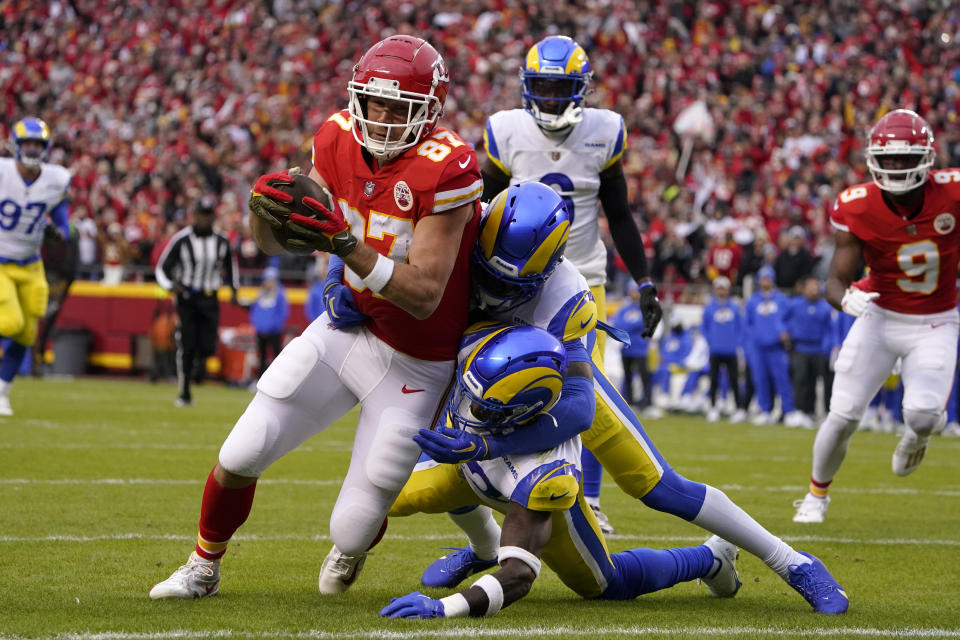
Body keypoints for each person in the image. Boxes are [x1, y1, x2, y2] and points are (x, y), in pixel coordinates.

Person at [333, 183, 845, 613]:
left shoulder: (563, 293)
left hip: (546, 391)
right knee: (403, 468)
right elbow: (375, 245)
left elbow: (576, 406)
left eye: (511, 283)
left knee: (657, 486)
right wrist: (340, 282)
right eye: (486, 273)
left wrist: (485, 448)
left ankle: (791, 561)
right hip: (468, 376)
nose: (492, 292)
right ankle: (483, 545)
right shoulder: (456, 233)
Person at [149, 35, 482, 599]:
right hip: (349, 328)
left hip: (418, 363)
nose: (379, 117)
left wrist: (346, 247)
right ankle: (203, 564)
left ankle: (363, 547)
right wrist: (267, 212)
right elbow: (287, 242)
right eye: (372, 103)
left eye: (396, 107)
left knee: (350, 526)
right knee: (242, 450)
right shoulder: (335, 137)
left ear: (429, 110)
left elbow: (425, 292)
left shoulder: (447, 167)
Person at [382, 322, 742, 619]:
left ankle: (710, 559)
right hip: (470, 469)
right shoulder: (484, 351)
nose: (471, 413)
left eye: (485, 407)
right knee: (385, 494)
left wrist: (446, 608)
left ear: (521, 413)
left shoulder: (544, 471)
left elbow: (519, 576)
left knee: (604, 585)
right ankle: (482, 546)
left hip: (517, 490)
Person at [479, 35, 663, 532]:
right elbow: (482, 212)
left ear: (581, 89)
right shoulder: (506, 131)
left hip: (584, 282)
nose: (552, 99)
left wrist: (644, 283)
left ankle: (592, 499)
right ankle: (505, 485)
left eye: (562, 89)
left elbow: (620, 214)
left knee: (590, 391)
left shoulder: (604, 132)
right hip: (518, 284)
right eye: (543, 88)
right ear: (526, 86)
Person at [793, 109, 960, 524]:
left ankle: (915, 435)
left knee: (923, 415)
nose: (897, 167)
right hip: (881, 317)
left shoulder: (953, 193)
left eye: (906, 158)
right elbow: (835, 280)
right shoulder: (858, 204)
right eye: (889, 159)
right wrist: (845, 300)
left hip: (936, 319)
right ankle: (816, 495)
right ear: (873, 160)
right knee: (843, 413)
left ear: (927, 157)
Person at [0, 117, 71, 416]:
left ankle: (2, 391)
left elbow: (64, 224)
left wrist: (58, 232)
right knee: (11, 322)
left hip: (30, 263)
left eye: (37, 144)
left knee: (27, 333)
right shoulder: (3, 172)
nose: (32, 149)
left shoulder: (56, 179)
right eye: (27, 143)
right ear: (16, 145)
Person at [155, 196, 239, 407]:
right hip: (187, 298)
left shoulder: (221, 241)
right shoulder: (182, 240)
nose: (204, 220)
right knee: (187, 344)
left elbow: (231, 267)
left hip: (210, 297)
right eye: (201, 215)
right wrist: (169, 285)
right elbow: (161, 268)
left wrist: (234, 291)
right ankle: (184, 391)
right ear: (195, 216)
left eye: (208, 215)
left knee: (208, 346)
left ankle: (196, 364)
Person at [744, 264, 798, 425]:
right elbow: (747, 325)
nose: (765, 281)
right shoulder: (753, 301)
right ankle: (765, 410)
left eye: (768, 278)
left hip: (777, 348)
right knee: (761, 380)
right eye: (763, 278)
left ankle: (788, 411)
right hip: (759, 348)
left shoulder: (782, 300)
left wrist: (786, 333)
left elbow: (790, 320)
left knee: (782, 380)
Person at [785, 276, 833, 428]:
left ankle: (818, 412)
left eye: (815, 287)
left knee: (821, 381)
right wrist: (788, 333)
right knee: (800, 380)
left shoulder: (826, 307)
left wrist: (827, 347)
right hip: (800, 347)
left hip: (819, 349)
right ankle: (800, 410)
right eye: (810, 287)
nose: (813, 290)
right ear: (803, 289)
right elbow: (782, 320)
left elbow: (829, 329)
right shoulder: (794, 305)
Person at [701, 276, 747, 423]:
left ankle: (739, 409)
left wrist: (737, 344)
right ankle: (713, 407)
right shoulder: (709, 307)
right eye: (719, 288)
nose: (721, 291)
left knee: (734, 380)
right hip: (715, 350)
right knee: (713, 380)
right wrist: (711, 342)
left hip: (731, 350)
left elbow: (741, 328)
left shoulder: (735, 307)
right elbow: (704, 328)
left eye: (724, 288)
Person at [610, 282, 652, 411]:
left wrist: (627, 325)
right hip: (626, 348)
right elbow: (617, 324)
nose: (634, 293)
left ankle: (648, 403)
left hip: (640, 348)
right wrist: (630, 325)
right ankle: (630, 402)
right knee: (627, 377)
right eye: (632, 291)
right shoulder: (624, 308)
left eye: (636, 291)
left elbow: (643, 323)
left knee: (644, 376)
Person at [248, 266, 288, 380]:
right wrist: (258, 326)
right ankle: (260, 380)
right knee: (262, 357)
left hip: (274, 332)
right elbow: (254, 311)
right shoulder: (260, 294)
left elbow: (283, 313)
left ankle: (278, 381)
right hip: (261, 332)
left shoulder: (280, 294)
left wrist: (274, 326)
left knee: (277, 357)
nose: (269, 282)